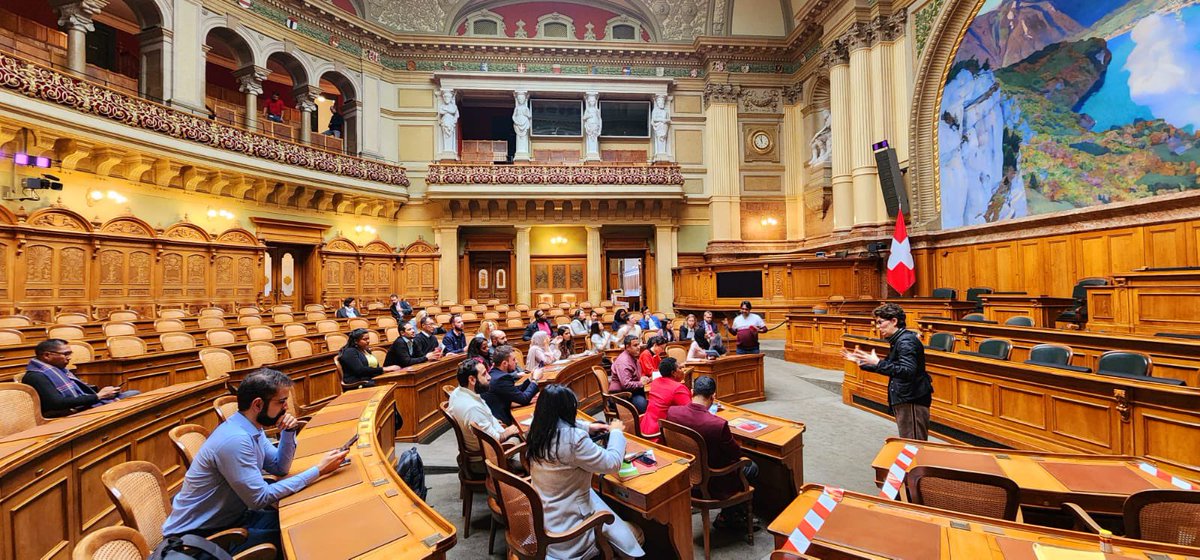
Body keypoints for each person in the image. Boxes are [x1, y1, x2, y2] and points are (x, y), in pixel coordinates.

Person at [161, 369, 349, 552]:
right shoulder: (236, 439)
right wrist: (319, 470)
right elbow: (260, 498)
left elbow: (279, 467)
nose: (286, 407)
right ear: (258, 404)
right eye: (281, 402)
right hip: (198, 538)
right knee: (298, 534)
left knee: (306, 516)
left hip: (233, 517)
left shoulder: (252, 427)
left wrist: (288, 432)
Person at [526, 385, 645, 559]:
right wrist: (617, 433)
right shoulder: (573, 440)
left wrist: (589, 427)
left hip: (546, 517)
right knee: (635, 534)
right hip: (570, 530)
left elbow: (562, 426)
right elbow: (612, 463)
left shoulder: (537, 431)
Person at [665, 375, 758, 529]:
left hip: (686, 477)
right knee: (751, 466)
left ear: (692, 391)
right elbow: (736, 455)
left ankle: (730, 515)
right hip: (712, 484)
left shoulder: (673, 412)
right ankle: (729, 515)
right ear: (713, 397)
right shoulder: (717, 424)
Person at [842, 303, 932, 441]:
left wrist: (877, 363)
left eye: (880, 322)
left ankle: (918, 464)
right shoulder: (899, 340)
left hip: (912, 399)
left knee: (914, 443)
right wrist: (861, 362)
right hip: (907, 397)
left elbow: (907, 371)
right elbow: (890, 365)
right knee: (909, 441)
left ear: (894, 321)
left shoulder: (906, 342)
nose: (878, 327)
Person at [22, 339, 138, 417]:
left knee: (133, 394)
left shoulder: (58, 369)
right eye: (65, 354)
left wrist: (103, 393)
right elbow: (57, 403)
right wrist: (99, 396)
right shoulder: (36, 376)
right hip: (68, 413)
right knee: (132, 394)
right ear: (47, 355)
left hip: (81, 404)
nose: (69, 358)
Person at [447, 360, 520, 475]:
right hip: (486, 460)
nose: (489, 377)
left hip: (480, 452)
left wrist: (494, 423)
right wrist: (508, 431)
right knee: (528, 438)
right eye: (484, 374)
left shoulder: (457, 392)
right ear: (471, 380)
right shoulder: (473, 408)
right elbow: (495, 439)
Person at [484, 346, 538, 426]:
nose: (516, 362)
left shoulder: (494, 373)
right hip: (503, 423)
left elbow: (514, 390)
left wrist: (530, 379)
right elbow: (524, 399)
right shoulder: (501, 378)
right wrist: (535, 380)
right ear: (504, 363)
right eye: (513, 359)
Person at [640, 357, 690, 439]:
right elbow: (690, 413)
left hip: (645, 428)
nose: (683, 370)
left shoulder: (655, 382)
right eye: (680, 368)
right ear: (673, 373)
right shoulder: (678, 388)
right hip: (660, 434)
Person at [609, 335, 649, 412]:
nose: (639, 347)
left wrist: (641, 379)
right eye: (635, 345)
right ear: (627, 347)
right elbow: (626, 385)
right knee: (644, 406)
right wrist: (640, 383)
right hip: (620, 396)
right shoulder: (624, 362)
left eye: (639, 344)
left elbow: (635, 376)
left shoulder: (632, 356)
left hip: (632, 391)